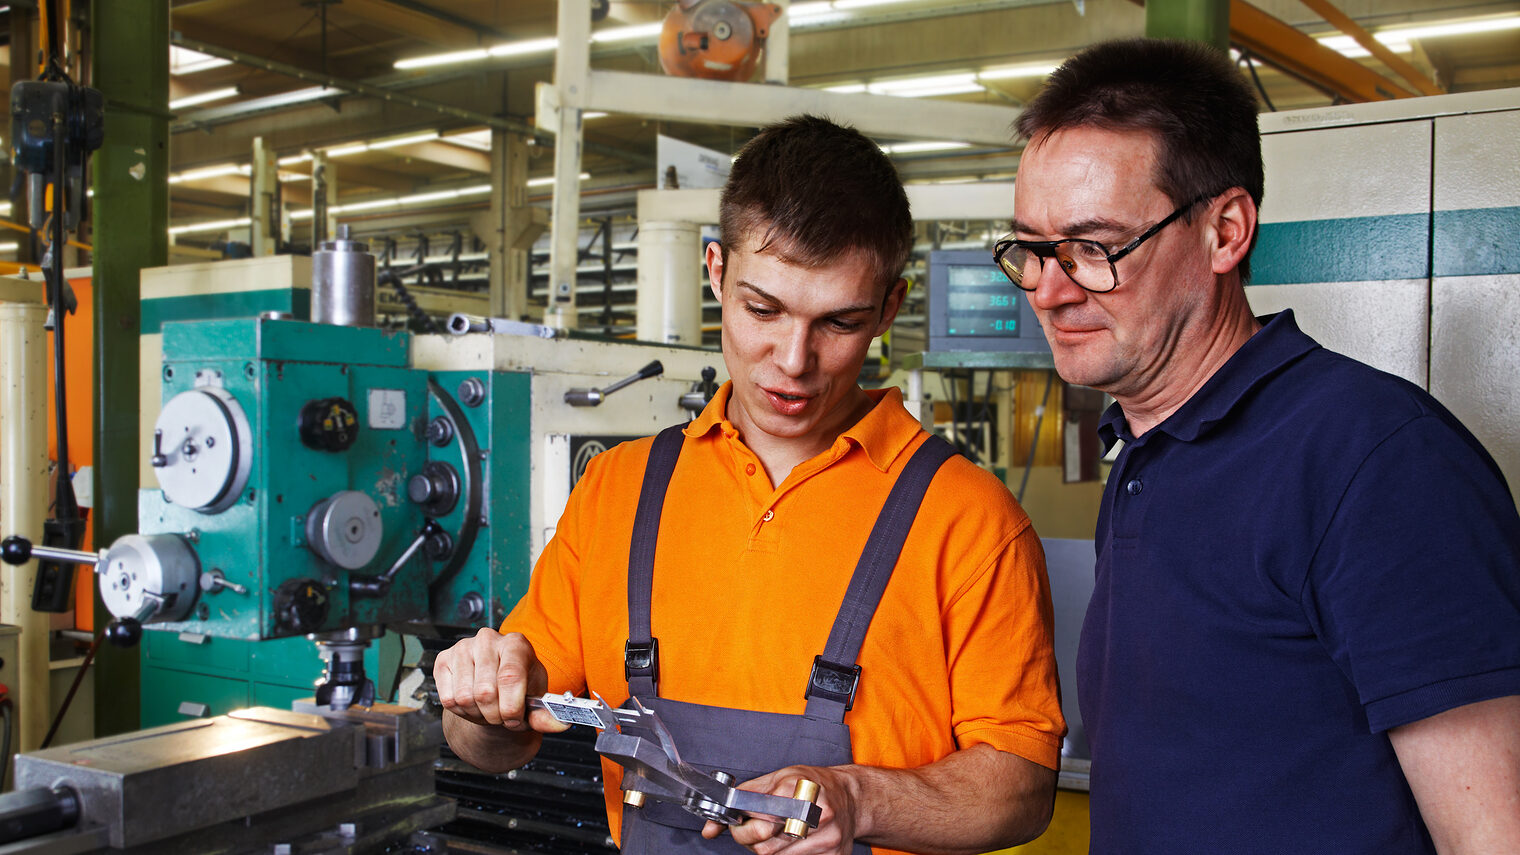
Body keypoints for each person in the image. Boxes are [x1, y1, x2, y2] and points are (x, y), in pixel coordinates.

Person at [435, 114, 1065, 855]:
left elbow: (1022, 788)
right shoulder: (618, 491)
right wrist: (480, 701)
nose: (793, 360)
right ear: (716, 272)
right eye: (763, 309)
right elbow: (493, 746)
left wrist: (857, 798)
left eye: (839, 322)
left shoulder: (970, 520)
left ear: (889, 309)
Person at [1002, 37, 1520, 854]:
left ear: (1226, 231)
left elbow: (1494, 834)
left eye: (1094, 248)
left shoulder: (1378, 463)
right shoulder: (1144, 450)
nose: (1051, 289)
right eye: (1031, 249)